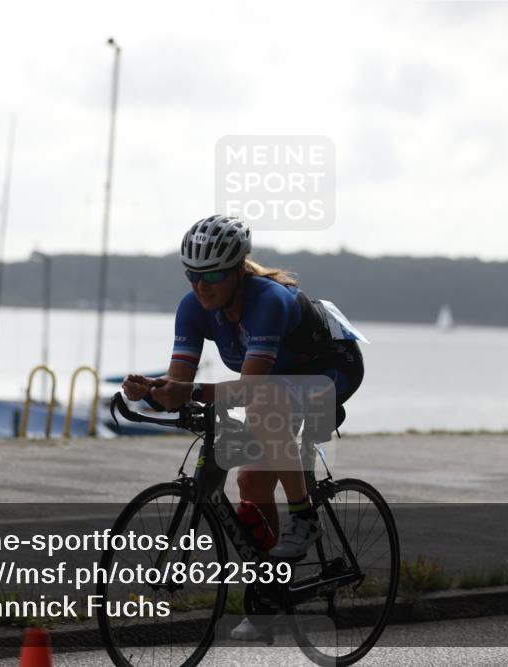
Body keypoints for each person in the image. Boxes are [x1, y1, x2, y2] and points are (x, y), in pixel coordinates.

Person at [122, 214, 365, 642]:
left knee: (261, 406)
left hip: (330, 369)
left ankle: (305, 517)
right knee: (250, 480)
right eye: (193, 275)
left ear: (238, 269)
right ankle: (269, 599)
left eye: (213, 273)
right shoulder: (192, 308)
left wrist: (189, 390)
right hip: (276, 382)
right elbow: (183, 384)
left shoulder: (268, 300)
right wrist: (151, 390)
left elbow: (250, 390)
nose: (201, 284)